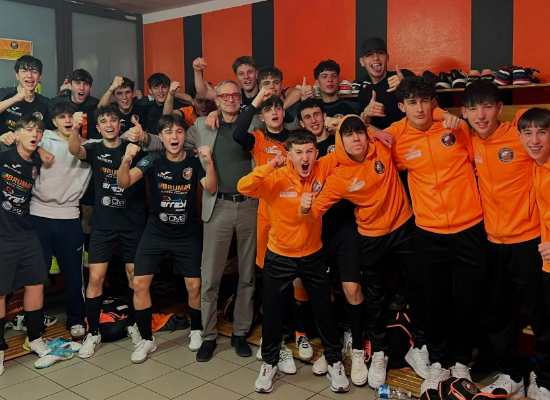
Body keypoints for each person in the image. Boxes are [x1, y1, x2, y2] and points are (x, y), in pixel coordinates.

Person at [376, 76, 484, 391]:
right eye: (412, 103)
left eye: (425, 101)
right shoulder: (397, 137)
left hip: (470, 227)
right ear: (401, 107)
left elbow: (478, 147)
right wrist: (369, 127)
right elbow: (363, 135)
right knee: (434, 302)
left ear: (433, 102)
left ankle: (461, 364)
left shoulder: (455, 128)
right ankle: (438, 363)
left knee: (466, 301)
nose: (420, 109)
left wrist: (444, 116)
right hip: (428, 232)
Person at [299, 115, 421, 389]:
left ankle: (422, 347)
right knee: (374, 295)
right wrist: (303, 208)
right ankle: (378, 352)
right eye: (349, 135)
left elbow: (408, 121)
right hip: (370, 235)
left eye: (360, 133)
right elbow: (315, 211)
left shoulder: (382, 148)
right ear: (340, 142)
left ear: (367, 135)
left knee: (419, 284)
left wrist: (441, 114)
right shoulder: (339, 175)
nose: (356, 139)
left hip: (403, 226)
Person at [238, 129, 349, 393]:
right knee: (273, 311)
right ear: (288, 155)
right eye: (298, 152)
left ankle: (334, 360)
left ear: (316, 153)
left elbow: (344, 149)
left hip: (313, 253)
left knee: (323, 309)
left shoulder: (322, 168)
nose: (305, 157)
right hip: (280, 254)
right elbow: (244, 187)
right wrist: (269, 166)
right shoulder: (276, 177)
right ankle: (270, 362)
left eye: (309, 151)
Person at [116, 114, 217, 363]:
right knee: (140, 283)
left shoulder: (193, 161)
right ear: (160, 137)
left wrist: (209, 162)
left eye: (179, 132)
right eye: (169, 132)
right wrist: (126, 159)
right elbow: (124, 182)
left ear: (185, 136)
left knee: (194, 286)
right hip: (156, 231)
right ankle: (146, 339)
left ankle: (196, 329)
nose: (174, 136)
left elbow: (211, 187)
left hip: (187, 232)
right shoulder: (153, 159)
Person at [232, 89, 311, 371]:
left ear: (284, 112)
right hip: (267, 217)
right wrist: (255, 102)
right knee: (272, 280)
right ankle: (271, 335)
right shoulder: (259, 139)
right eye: (268, 110)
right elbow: (237, 133)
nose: (274, 113)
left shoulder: (295, 139)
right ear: (262, 116)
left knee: (299, 279)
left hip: (297, 216)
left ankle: (300, 333)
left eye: (278, 108)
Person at [296, 99, 367, 385]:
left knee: (352, 289)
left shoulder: (338, 146)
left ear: (325, 117)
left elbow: (362, 136)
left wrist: (345, 123)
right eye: (307, 117)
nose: (313, 120)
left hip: (347, 227)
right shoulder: (303, 154)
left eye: (317, 115)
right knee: (322, 292)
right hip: (316, 230)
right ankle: (332, 349)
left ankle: (359, 349)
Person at [68, 104, 147, 358]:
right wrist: (76, 127)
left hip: (132, 223)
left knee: (135, 277)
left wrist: (141, 136)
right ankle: (93, 332)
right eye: (104, 121)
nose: (109, 124)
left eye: (113, 120)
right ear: (98, 127)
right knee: (95, 278)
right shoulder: (94, 149)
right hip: (103, 224)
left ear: (119, 124)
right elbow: (74, 149)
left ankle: (134, 324)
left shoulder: (133, 148)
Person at [0, 115, 73, 373]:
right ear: (17, 133)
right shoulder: (4, 157)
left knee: (36, 283)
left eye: (39, 131)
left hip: (26, 230)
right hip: (3, 233)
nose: (34, 134)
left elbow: (43, 154)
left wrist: (39, 149)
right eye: (29, 129)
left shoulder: (35, 161)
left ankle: (34, 338)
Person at [29, 102, 94, 339]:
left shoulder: (90, 146)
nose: (67, 120)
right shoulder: (43, 138)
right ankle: (34, 323)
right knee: (37, 276)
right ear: (54, 121)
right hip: (38, 214)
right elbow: (19, 141)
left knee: (74, 274)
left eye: (71, 116)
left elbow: (116, 142)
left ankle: (76, 319)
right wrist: (38, 150)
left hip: (69, 216)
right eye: (61, 116)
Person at [519, 107, 550, 400]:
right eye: (527, 133)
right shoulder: (536, 165)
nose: (535, 140)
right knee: (543, 326)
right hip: (544, 264)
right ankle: (544, 380)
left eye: (542, 132)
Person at [357, 37, 414, 129]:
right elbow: (365, 129)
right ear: (362, 62)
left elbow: (428, 105)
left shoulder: (403, 75)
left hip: (410, 135)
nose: (376, 58)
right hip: (382, 137)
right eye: (369, 54)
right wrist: (366, 115)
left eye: (380, 53)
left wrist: (406, 85)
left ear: (387, 57)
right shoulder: (363, 94)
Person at [0, 55, 50, 134]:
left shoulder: (46, 103)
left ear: (40, 77)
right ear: (17, 75)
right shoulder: (4, 93)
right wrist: (15, 98)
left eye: (34, 72)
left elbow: (49, 132)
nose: (30, 75)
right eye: (24, 71)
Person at [50, 69, 100, 139]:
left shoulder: (95, 104)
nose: (82, 88)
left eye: (86, 84)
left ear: (90, 88)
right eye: (77, 83)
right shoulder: (56, 102)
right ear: (70, 86)